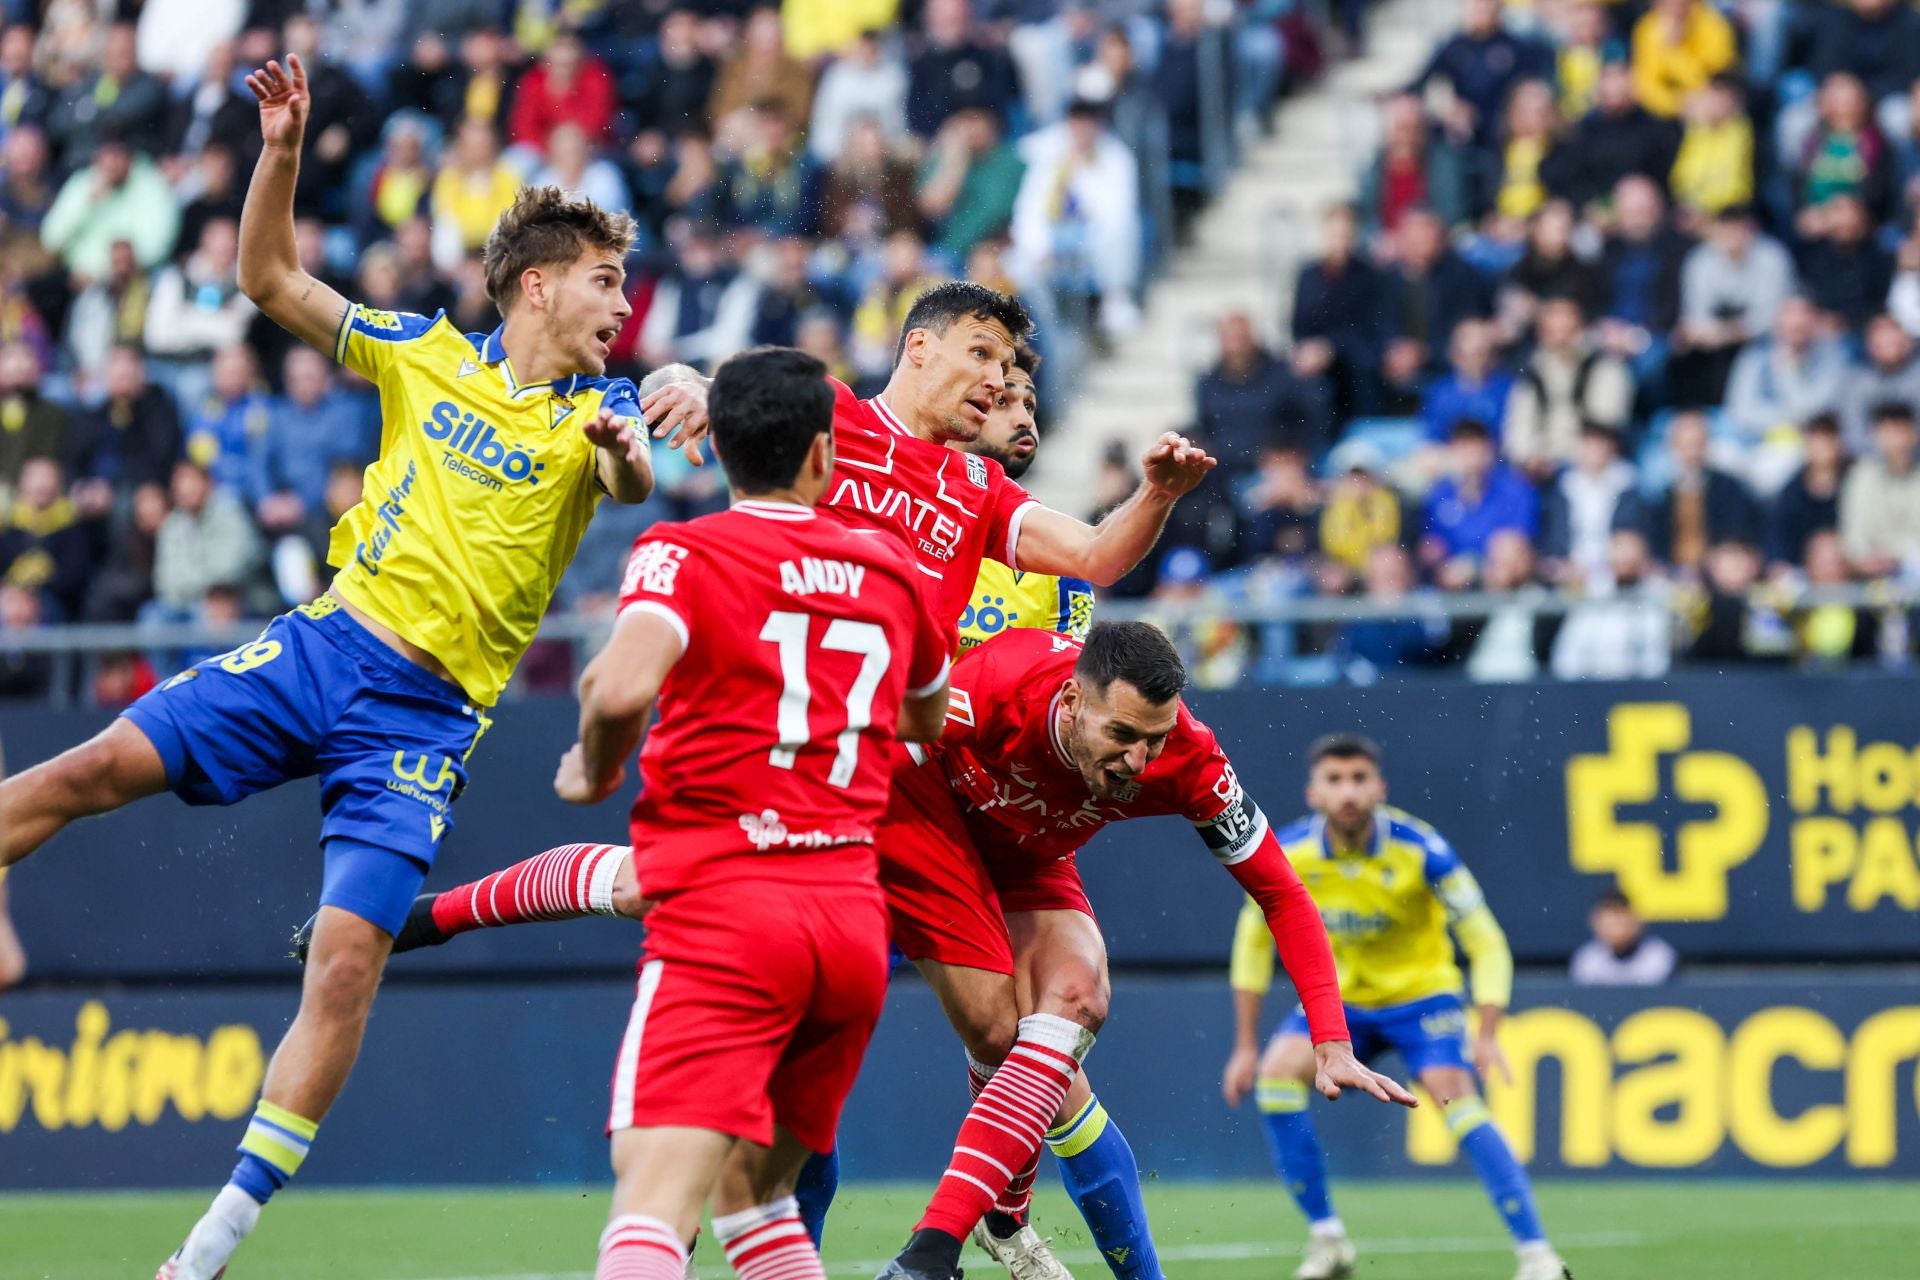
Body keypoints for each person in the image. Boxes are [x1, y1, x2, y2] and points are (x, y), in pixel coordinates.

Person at [0, 55, 698, 1280]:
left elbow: (638, 479)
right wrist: (280, 153)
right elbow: (265, 277)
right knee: (98, 761)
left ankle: (208, 1247)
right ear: (537, 286)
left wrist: (640, 427)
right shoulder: (420, 353)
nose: (620, 302)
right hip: (321, 648)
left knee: (343, 959)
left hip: (424, 724)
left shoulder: (601, 410)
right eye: (604, 280)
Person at [564, 345, 953, 1280]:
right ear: (824, 456)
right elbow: (925, 715)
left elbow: (619, 693)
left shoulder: (680, 552)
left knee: (654, 1202)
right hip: (851, 930)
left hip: (727, 912)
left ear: (720, 449)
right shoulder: (891, 571)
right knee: (758, 1201)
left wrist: (593, 767)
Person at [872, 625, 1412, 1280]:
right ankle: (976, 1224)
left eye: (1153, 738)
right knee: (994, 1028)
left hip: (1031, 858)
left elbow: (1283, 894)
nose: (1138, 761)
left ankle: (942, 1247)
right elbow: (868, 743)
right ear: (1071, 702)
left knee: (1081, 997)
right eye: (1122, 736)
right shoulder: (992, 688)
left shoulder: (1192, 759)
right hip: (933, 824)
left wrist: (1331, 1039)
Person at [1222, 734, 1572, 1280]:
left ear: (1380, 788)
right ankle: (1328, 1239)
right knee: (1273, 1078)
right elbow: (1252, 944)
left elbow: (1486, 942)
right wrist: (1245, 1044)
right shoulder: (1289, 852)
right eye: (1334, 781)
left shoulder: (1422, 849)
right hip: (1339, 1007)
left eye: (1359, 779)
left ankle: (1537, 1255)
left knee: (1457, 1100)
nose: (1348, 792)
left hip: (1421, 999)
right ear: (1313, 793)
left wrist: (1486, 1030)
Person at [956, 343, 1094, 654]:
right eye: (1002, 401)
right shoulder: (896, 512)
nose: (1025, 420)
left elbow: (1058, 686)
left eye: (1030, 406)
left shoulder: (1060, 562)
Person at [1570, 888, 1678, 985]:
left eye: (1620, 918)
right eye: (1609, 922)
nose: (1616, 926)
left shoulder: (1658, 955)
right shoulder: (1587, 959)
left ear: (1635, 920)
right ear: (1596, 924)